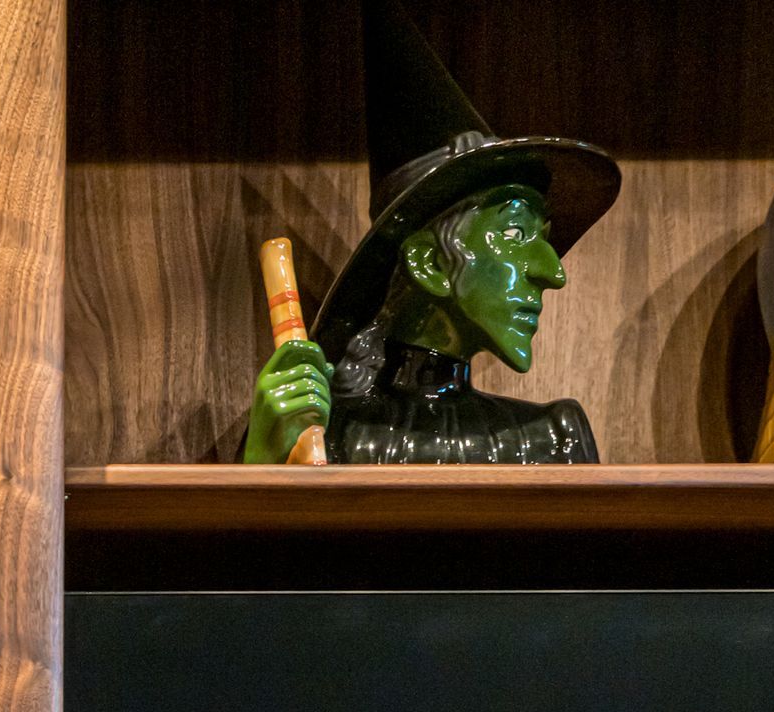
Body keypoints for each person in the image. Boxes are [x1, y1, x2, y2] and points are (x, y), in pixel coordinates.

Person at [245, 0, 619, 468]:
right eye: (515, 234)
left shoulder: (555, 437)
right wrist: (263, 452)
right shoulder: (325, 436)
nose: (553, 272)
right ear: (430, 262)